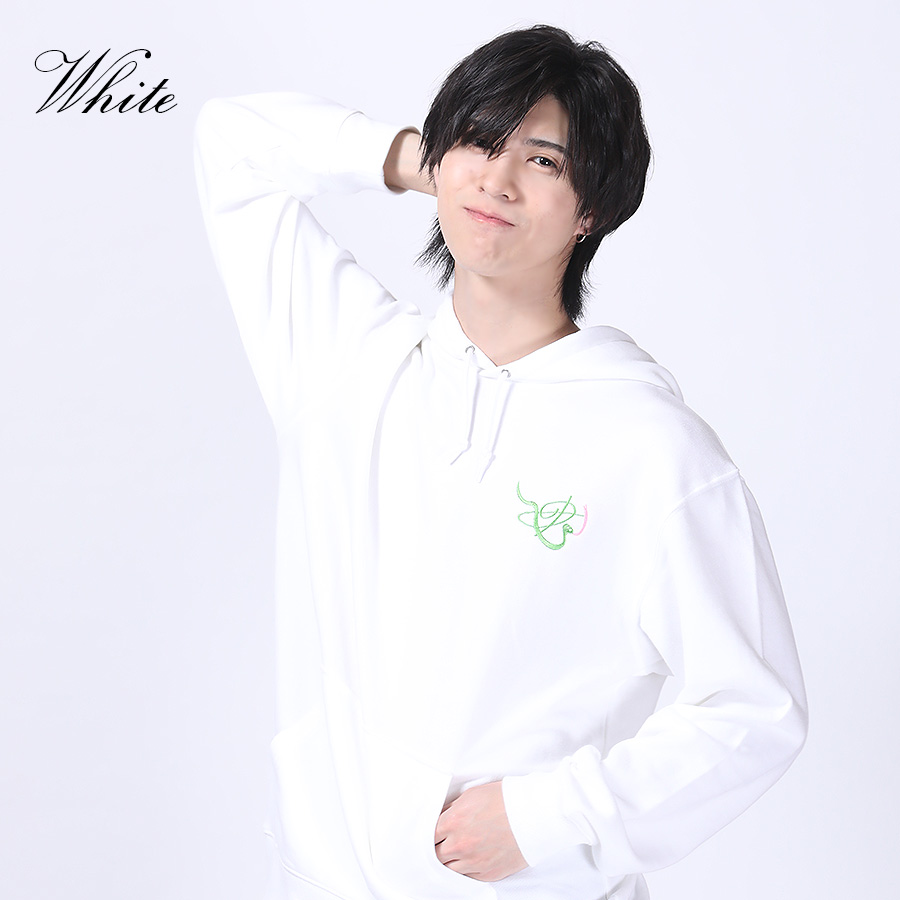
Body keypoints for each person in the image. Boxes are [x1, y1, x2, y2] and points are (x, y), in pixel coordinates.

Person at [194, 24, 807, 900]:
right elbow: (233, 142)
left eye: (544, 161)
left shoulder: (652, 448)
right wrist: (425, 159)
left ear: (592, 210)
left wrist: (549, 816)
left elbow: (757, 708)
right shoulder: (345, 363)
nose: (499, 179)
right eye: (481, 141)